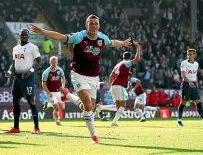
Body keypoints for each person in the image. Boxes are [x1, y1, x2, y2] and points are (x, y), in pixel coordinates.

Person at [30, 14, 132, 144]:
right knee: (88, 105)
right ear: (86, 25)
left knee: (91, 107)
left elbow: (112, 43)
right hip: (78, 74)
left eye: (96, 24)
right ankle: (94, 136)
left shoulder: (102, 38)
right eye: (91, 23)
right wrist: (42, 31)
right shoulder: (79, 37)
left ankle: (69, 97)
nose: (94, 26)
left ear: (99, 25)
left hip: (94, 77)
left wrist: (123, 43)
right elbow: (60, 37)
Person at [5, 29, 41, 134]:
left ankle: (36, 128)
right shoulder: (15, 48)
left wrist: (30, 71)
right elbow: (13, 63)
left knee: (31, 101)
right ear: (19, 36)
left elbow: (39, 62)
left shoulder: (32, 47)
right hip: (17, 77)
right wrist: (9, 71)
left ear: (28, 36)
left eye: (26, 34)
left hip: (28, 77)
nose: (24, 36)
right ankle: (16, 128)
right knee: (15, 100)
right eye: (22, 35)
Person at [109, 47, 140, 126]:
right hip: (120, 86)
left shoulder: (117, 65)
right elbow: (136, 59)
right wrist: (138, 48)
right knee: (123, 105)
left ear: (123, 57)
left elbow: (111, 76)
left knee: (118, 106)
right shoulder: (126, 63)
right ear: (129, 58)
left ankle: (112, 118)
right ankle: (114, 122)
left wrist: (110, 87)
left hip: (113, 86)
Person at [178, 49, 203, 126]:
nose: (189, 56)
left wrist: (196, 85)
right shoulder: (184, 63)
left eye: (191, 54)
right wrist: (190, 82)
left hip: (194, 84)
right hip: (186, 84)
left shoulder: (196, 64)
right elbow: (183, 75)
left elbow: (195, 75)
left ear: (194, 55)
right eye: (188, 54)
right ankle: (179, 120)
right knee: (183, 102)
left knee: (198, 102)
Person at [42, 56, 66, 126]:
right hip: (50, 92)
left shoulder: (60, 70)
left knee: (62, 107)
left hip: (58, 91)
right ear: (50, 62)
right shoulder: (46, 72)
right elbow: (43, 84)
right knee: (57, 107)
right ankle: (57, 121)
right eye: (53, 62)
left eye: (55, 62)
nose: (54, 63)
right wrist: (48, 93)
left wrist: (63, 86)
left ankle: (48, 104)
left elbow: (63, 78)